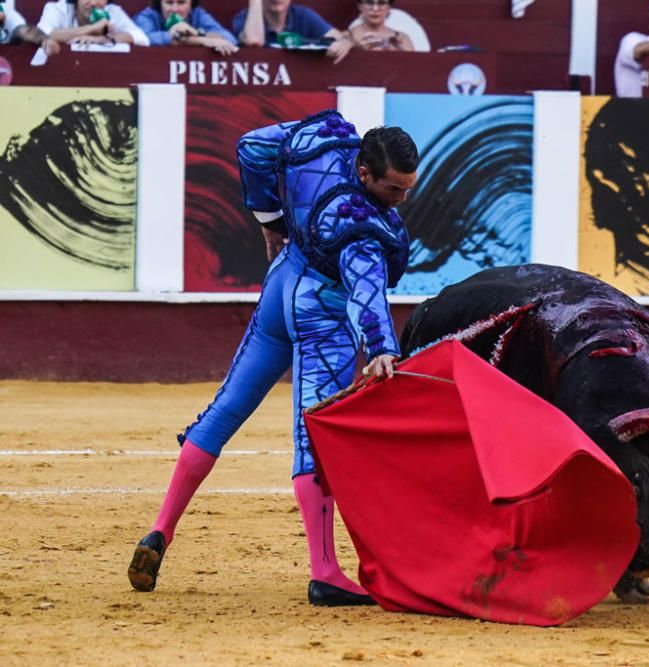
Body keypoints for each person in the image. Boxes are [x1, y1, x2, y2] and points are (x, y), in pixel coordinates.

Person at [127, 112, 418, 606]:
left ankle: (160, 531)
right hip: (321, 310)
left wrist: (271, 221)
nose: (401, 200)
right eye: (394, 189)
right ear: (365, 174)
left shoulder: (325, 139)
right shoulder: (363, 224)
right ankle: (325, 572)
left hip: (283, 280)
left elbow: (253, 145)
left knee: (225, 409)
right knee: (314, 437)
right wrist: (384, 346)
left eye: (408, 188)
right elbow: (366, 290)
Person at [235, 0, 353, 63]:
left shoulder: (303, 15)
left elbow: (340, 38)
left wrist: (346, 44)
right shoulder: (246, 18)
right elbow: (254, 40)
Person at [134, 0, 238, 55]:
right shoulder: (147, 16)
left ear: (191, 4)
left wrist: (196, 33)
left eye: (181, 2)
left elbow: (230, 39)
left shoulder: (197, 14)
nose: (174, 9)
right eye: (169, 2)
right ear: (160, 3)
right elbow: (145, 39)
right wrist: (201, 41)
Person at [349, 0, 413, 51]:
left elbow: (411, 65)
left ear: (389, 7)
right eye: (369, 2)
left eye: (381, 2)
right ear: (359, 6)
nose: (375, 9)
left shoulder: (402, 39)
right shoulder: (346, 37)